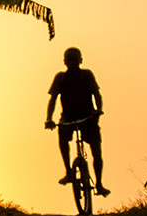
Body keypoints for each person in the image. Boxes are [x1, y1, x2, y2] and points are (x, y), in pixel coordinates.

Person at [44, 46, 108, 197]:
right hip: (68, 117)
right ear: (65, 62)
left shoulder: (87, 75)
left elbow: (97, 94)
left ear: (80, 61)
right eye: (69, 60)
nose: (72, 62)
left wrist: (99, 110)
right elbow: (52, 100)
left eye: (75, 59)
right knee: (62, 137)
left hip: (88, 116)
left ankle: (99, 183)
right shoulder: (60, 78)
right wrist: (49, 119)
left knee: (96, 151)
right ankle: (69, 172)